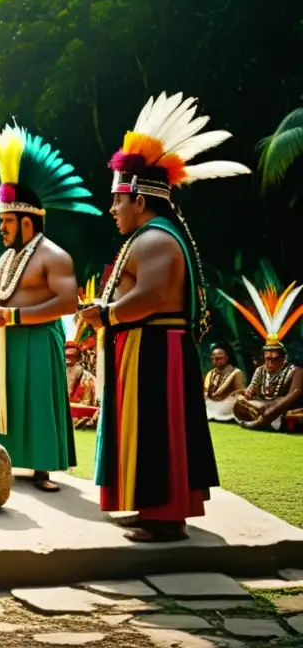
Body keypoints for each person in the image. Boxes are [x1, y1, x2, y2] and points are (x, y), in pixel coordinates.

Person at [82, 91, 250, 542]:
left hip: (155, 349)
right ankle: (154, 509)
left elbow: (151, 297)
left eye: (117, 200)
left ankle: (164, 517)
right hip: (149, 347)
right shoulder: (155, 235)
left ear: (138, 197)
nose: (112, 209)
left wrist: (106, 312)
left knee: (156, 429)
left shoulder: (155, 239)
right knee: (150, 428)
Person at [0, 122, 101, 492]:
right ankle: (2, 459)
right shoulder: (6, 259)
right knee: (6, 399)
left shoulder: (54, 256)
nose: (1, 228)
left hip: (38, 339)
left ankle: (42, 469)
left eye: (7, 222)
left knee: (37, 402)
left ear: (27, 222)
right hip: (5, 341)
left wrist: (12, 316)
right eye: (1, 221)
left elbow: (67, 302)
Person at [220, 276, 302, 431]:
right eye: (267, 359)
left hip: (282, 408)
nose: (269, 363)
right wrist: (243, 395)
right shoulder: (261, 370)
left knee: (287, 413)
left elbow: (293, 396)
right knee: (239, 402)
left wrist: (271, 410)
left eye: (274, 359)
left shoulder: (296, 371)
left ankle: (263, 420)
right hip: (263, 405)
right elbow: (250, 392)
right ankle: (264, 416)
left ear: (284, 358)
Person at [202, 342, 246, 422]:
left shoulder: (236, 373)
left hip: (227, 403)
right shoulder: (210, 373)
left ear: (227, 358)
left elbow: (241, 392)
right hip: (210, 403)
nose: (215, 360)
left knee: (237, 399)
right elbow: (206, 392)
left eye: (219, 358)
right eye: (213, 358)